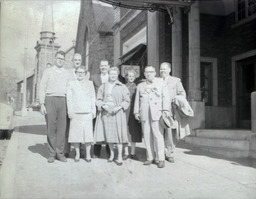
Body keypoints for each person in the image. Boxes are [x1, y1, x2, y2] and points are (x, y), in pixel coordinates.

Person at [134, 66, 170, 168]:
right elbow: (137, 99)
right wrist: (136, 112)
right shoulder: (140, 85)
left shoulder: (161, 83)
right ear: (144, 74)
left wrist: (165, 110)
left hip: (157, 113)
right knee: (147, 135)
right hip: (144, 113)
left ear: (155, 73)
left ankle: (160, 158)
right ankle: (150, 157)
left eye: (151, 72)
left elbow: (166, 97)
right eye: (147, 72)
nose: (149, 74)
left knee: (158, 135)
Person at [94, 67, 130, 166]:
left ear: (117, 75)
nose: (112, 76)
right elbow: (98, 99)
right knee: (109, 135)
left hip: (117, 112)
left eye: (114, 74)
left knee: (118, 135)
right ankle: (112, 155)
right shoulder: (103, 86)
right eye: (111, 74)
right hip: (106, 113)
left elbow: (127, 100)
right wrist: (103, 105)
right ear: (108, 75)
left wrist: (119, 107)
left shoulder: (122, 86)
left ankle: (119, 156)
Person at [39, 51, 70, 163]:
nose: (60, 60)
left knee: (62, 128)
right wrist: (42, 104)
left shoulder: (67, 73)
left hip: (63, 100)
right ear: (55, 59)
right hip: (50, 99)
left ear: (64, 60)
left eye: (62, 59)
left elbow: (70, 89)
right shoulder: (48, 72)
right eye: (58, 58)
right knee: (51, 128)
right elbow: (42, 87)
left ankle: (60, 153)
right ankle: (52, 153)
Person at [66, 66, 96, 162]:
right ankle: (77, 154)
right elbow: (69, 99)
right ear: (75, 73)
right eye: (78, 72)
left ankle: (88, 155)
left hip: (87, 112)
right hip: (75, 112)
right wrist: (70, 111)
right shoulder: (71, 84)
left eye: (82, 72)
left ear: (85, 74)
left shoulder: (90, 84)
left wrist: (93, 110)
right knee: (76, 135)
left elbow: (92, 97)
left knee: (87, 135)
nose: (80, 74)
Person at [160, 62, 187, 163]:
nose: (162, 71)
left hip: (171, 111)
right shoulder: (157, 81)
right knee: (160, 132)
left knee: (170, 132)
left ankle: (169, 153)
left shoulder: (176, 81)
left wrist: (176, 99)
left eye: (164, 69)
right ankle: (161, 152)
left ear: (169, 70)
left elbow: (182, 94)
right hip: (159, 110)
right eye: (161, 69)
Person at [90, 60, 111, 158]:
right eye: (102, 66)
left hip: (108, 107)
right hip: (97, 106)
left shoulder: (112, 77)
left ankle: (109, 152)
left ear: (108, 67)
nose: (103, 67)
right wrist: (96, 103)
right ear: (99, 67)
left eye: (105, 66)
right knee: (96, 128)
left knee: (108, 129)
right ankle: (96, 152)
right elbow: (90, 91)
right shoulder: (94, 77)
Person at [123, 69, 142, 160]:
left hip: (134, 111)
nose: (130, 78)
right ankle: (126, 152)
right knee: (125, 131)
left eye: (132, 76)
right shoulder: (123, 86)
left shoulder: (137, 87)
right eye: (129, 76)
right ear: (126, 77)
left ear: (135, 77)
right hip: (125, 111)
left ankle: (133, 152)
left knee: (133, 132)